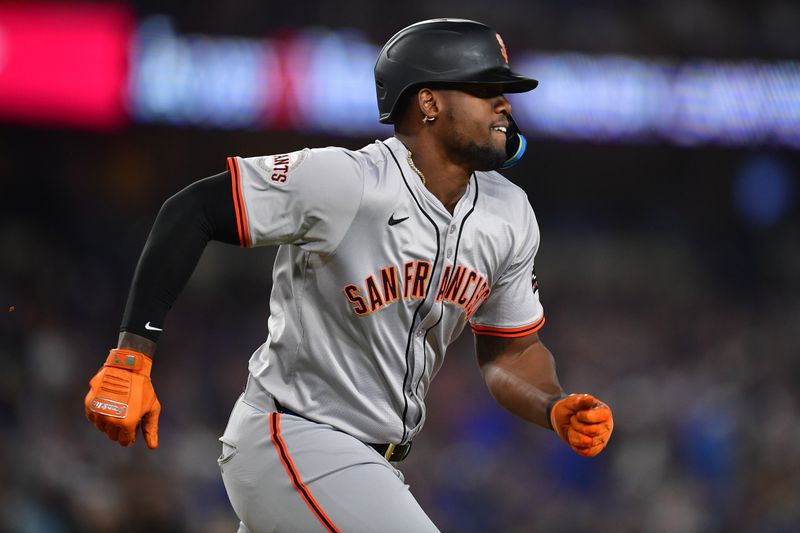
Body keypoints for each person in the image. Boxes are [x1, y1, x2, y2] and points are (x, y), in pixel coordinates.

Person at [84, 18, 614, 532]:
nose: (505, 103)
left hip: (371, 466)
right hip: (295, 438)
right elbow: (192, 209)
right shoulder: (347, 180)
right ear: (429, 103)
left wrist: (552, 406)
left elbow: (511, 353)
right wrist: (133, 356)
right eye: (486, 88)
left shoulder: (509, 213)